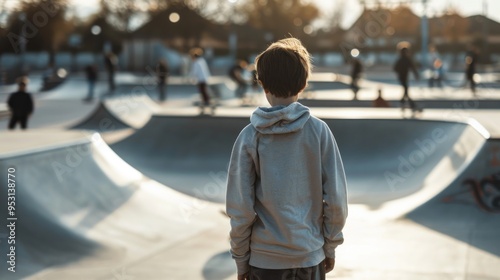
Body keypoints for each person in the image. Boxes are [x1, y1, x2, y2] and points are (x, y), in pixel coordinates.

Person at [226, 38, 348, 280]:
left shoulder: (250, 136)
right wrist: (330, 244)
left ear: (263, 85)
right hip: (309, 255)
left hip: (265, 260)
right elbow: (336, 200)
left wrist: (241, 259)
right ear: (303, 84)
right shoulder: (319, 131)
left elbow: (240, 208)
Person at [394, 46, 419, 111]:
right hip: (403, 77)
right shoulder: (405, 59)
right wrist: (416, 75)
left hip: (402, 77)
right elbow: (413, 67)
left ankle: (404, 102)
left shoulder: (402, 59)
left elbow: (395, 68)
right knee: (406, 90)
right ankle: (410, 104)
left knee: (405, 91)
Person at [189, 48, 211, 112]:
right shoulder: (202, 60)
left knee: (202, 91)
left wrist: (192, 78)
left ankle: (206, 101)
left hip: (201, 79)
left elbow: (195, 72)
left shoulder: (196, 62)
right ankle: (206, 100)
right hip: (204, 78)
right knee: (204, 90)